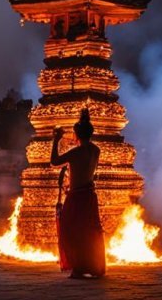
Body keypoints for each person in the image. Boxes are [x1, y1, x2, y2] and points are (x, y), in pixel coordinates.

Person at [51, 108, 105, 279]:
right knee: (90, 232)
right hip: (89, 195)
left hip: (76, 196)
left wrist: (56, 140)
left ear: (76, 134)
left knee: (71, 230)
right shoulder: (96, 150)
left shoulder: (76, 152)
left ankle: (79, 267)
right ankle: (93, 266)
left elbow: (54, 162)